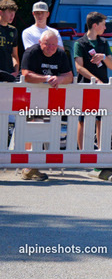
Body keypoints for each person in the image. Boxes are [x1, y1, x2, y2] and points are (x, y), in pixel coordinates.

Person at [20, 30, 73, 181]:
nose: (50, 48)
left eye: (54, 45)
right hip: (29, 97)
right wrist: (46, 78)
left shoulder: (60, 54)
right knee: (31, 128)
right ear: (40, 43)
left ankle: (35, 164)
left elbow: (69, 76)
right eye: (47, 44)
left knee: (45, 130)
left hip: (51, 100)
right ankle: (28, 166)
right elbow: (26, 74)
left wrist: (60, 79)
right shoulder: (32, 52)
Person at [73, 11, 112, 175]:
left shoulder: (104, 43)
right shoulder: (80, 43)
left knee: (100, 119)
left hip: (102, 87)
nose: (105, 28)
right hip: (86, 86)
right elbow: (79, 67)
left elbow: (111, 66)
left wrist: (103, 57)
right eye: (103, 24)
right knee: (83, 119)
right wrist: (94, 79)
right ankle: (82, 153)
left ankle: (100, 151)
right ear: (95, 25)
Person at [0, 0, 20, 81]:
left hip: (8, 73)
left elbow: (14, 55)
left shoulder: (13, 30)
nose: (12, 15)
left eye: (14, 13)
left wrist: (16, 71)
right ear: (1, 12)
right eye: (9, 12)